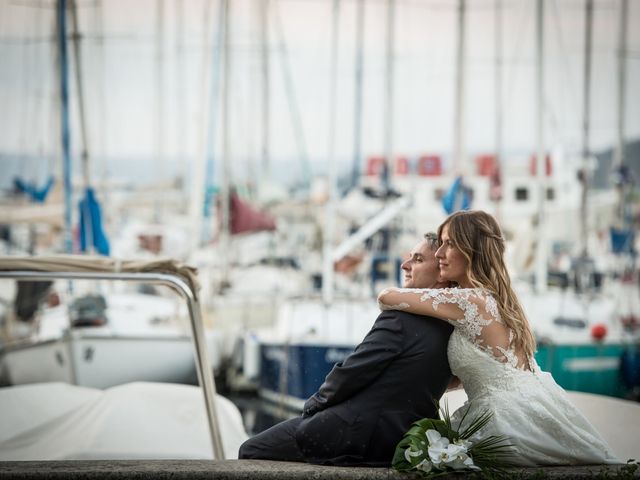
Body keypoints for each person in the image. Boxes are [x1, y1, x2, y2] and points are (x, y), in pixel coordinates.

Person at [378, 210, 619, 466]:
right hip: (533, 406)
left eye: (449, 244)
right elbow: (483, 369)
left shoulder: (470, 300)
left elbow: (386, 297)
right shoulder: (499, 299)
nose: (439, 254)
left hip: (504, 419)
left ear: (471, 249)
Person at [239, 233, 454, 466]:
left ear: (441, 274)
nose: (405, 265)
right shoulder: (450, 326)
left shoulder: (402, 319)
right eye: (410, 257)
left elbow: (353, 371)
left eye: (418, 259)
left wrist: (314, 406)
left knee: (251, 449)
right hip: (405, 441)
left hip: (358, 435)